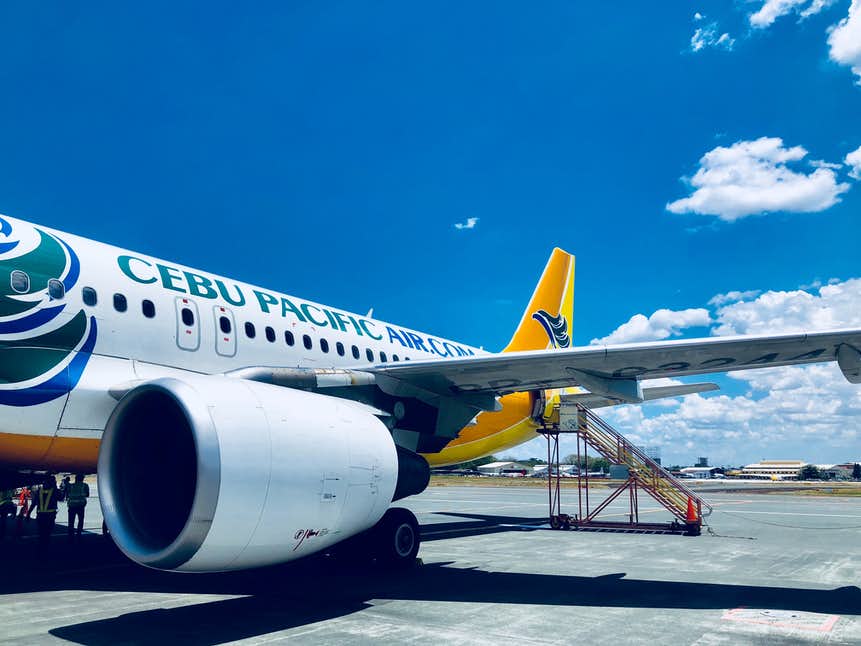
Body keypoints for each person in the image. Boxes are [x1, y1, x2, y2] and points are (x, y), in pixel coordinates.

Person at [35, 476, 58, 546]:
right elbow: (61, 497)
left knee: (41, 533)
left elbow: (34, 503)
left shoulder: (39, 491)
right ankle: (45, 547)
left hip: (40, 515)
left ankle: (41, 547)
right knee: (47, 533)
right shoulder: (54, 491)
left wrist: (29, 513)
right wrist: (55, 486)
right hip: (50, 515)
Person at [66, 474, 89, 542]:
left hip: (72, 506)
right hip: (80, 506)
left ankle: (70, 536)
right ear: (82, 479)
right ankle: (79, 534)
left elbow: (67, 493)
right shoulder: (85, 485)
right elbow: (87, 494)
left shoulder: (71, 486)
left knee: (71, 522)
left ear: (75, 479)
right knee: (80, 521)